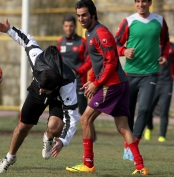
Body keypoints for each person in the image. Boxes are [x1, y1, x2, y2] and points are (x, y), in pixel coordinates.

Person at [65, 0, 148, 175]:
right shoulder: (89, 33)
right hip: (119, 84)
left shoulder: (100, 32)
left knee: (85, 119)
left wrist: (97, 83)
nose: (81, 18)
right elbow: (98, 62)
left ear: (93, 14)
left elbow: (110, 62)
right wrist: (92, 79)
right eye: (79, 15)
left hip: (112, 85)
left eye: (84, 15)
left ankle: (88, 164)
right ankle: (140, 166)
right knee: (123, 127)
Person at [0, 18, 80, 173]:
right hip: (37, 87)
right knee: (23, 126)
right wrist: (9, 30)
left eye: (44, 90)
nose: (42, 91)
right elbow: (27, 41)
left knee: (55, 126)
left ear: (54, 87)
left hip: (58, 98)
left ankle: (48, 136)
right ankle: (9, 157)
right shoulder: (37, 59)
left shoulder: (68, 85)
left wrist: (63, 141)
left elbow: (73, 117)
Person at [114, 0, 170, 160]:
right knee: (129, 111)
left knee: (145, 109)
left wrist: (164, 56)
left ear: (150, 2)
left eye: (144, 1)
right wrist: (124, 51)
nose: (141, 4)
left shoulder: (159, 21)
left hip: (151, 73)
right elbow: (115, 43)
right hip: (130, 73)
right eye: (137, 1)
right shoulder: (128, 21)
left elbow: (165, 42)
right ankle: (128, 144)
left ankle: (134, 144)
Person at [56, 15, 96, 140]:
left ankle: (92, 137)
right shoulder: (60, 42)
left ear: (75, 26)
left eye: (71, 26)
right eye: (66, 26)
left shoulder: (82, 42)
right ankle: (60, 135)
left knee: (84, 112)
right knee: (62, 110)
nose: (69, 28)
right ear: (63, 27)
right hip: (63, 83)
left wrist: (77, 71)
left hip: (79, 83)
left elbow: (89, 61)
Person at [144, 42, 174, 142]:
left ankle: (162, 135)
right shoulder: (151, 45)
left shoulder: (171, 47)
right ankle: (149, 127)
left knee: (164, 110)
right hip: (153, 80)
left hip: (167, 83)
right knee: (147, 109)